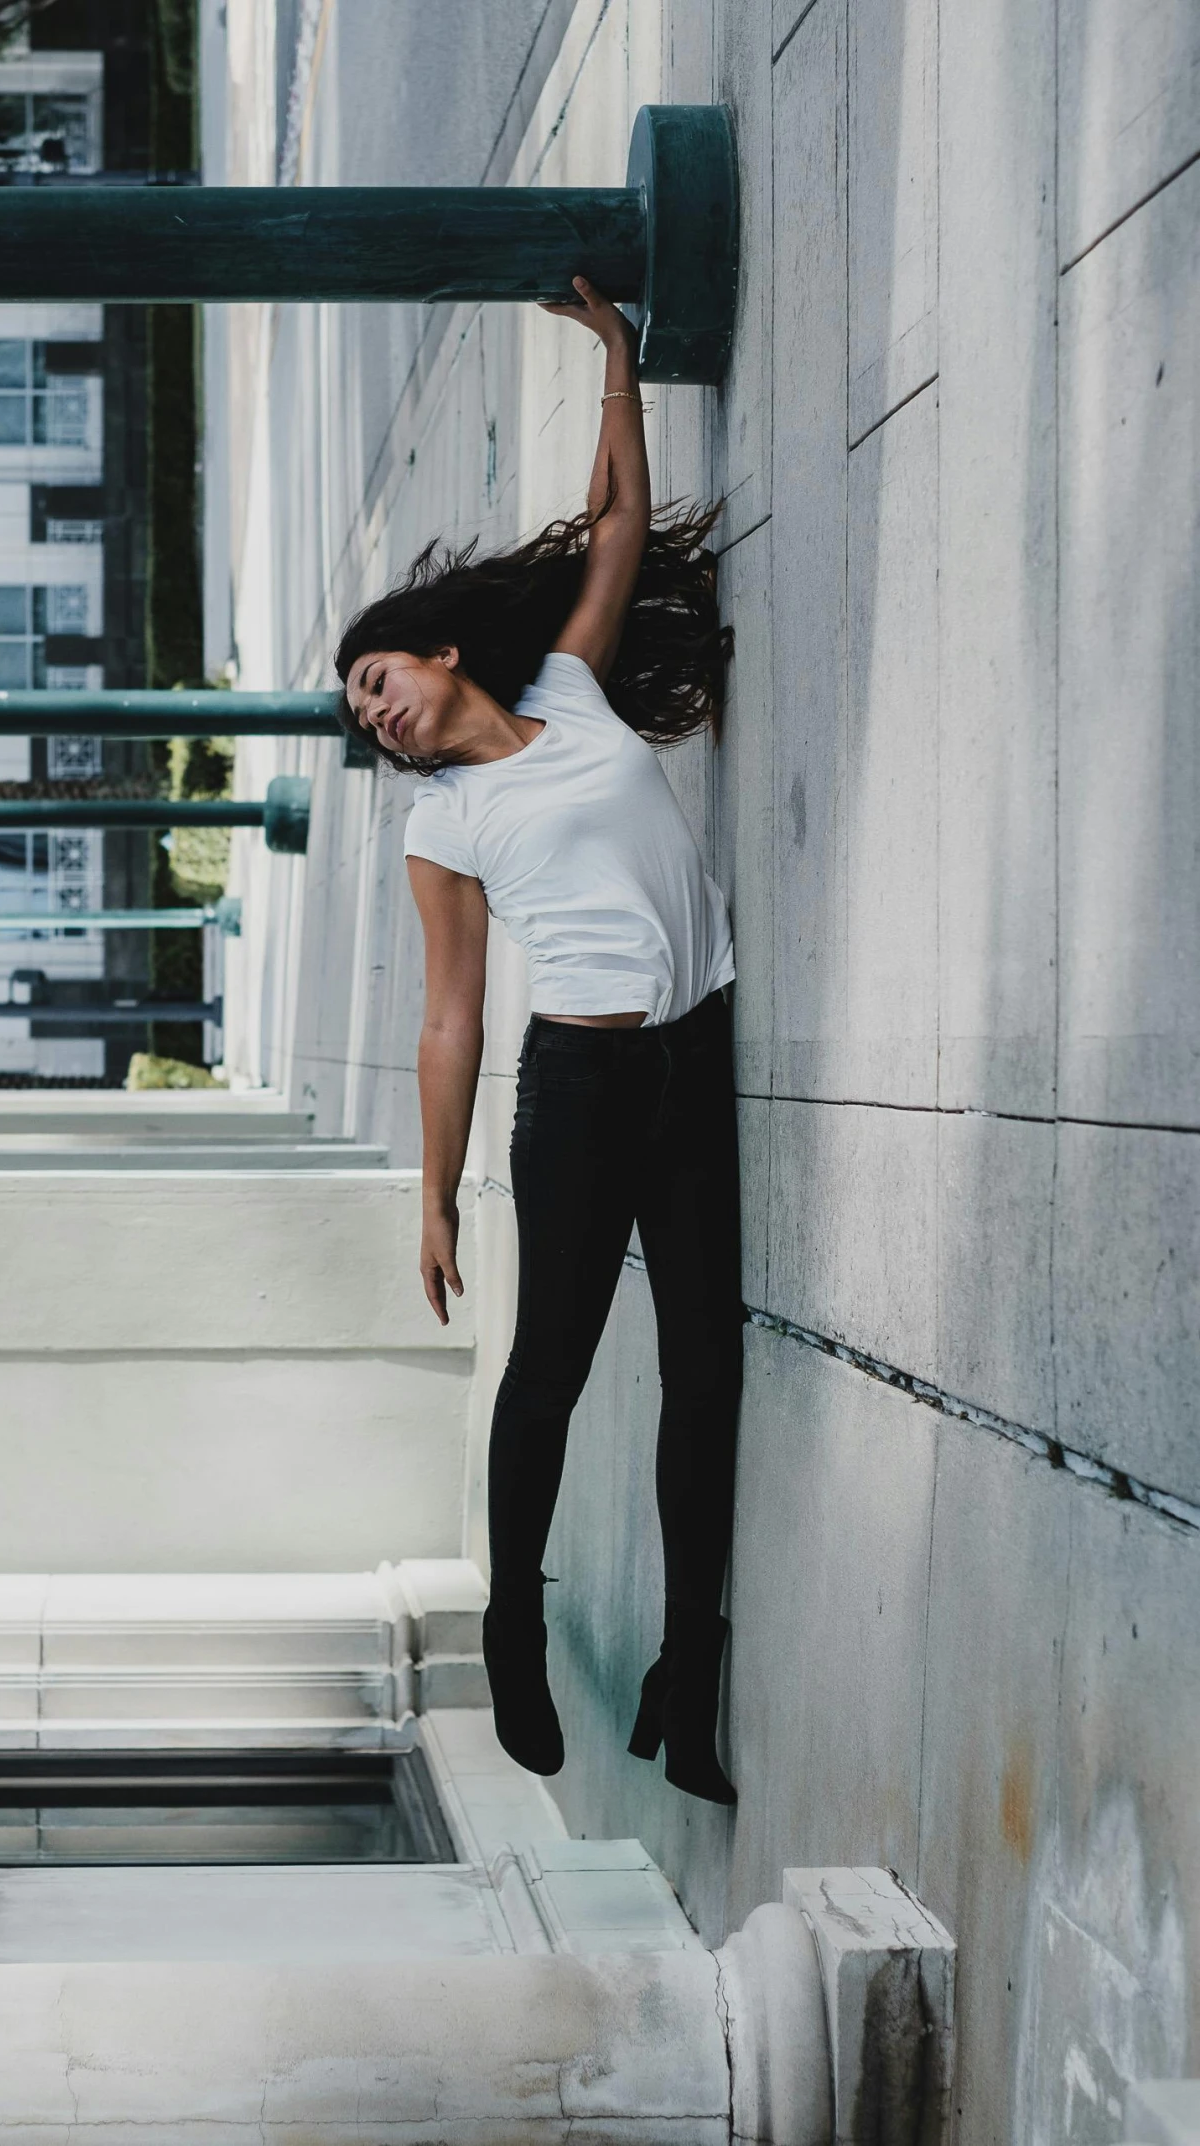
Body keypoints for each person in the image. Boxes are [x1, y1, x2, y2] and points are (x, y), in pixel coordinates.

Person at [334, 277, 741, 1805]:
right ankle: (515, 1622)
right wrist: (433, 1195)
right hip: (574, 1092)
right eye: (364, 715)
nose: (377, 717)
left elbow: (619, 529)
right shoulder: (442, 827)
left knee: (709, 1371)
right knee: (549, 1378)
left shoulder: (565, 684)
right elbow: (450, 1019)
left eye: (378, 681)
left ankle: (687, 1676)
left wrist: (623, 357)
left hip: (691, 1060)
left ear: (436, 651)